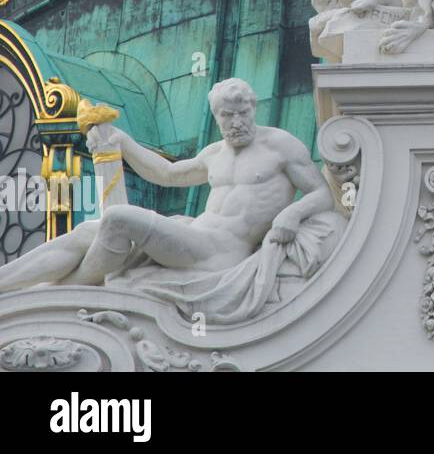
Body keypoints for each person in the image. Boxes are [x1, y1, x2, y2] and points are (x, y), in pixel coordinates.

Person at [0, 78, 335, 293]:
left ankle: (62, 293)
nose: (235, 123)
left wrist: (291, 216)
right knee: (88, 230)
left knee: (117, 218)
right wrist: (123, 141)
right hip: (189, 233)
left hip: (218, 253)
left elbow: (323, 193)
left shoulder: (281, 145)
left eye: (242, 113)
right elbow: (166, 174)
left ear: (254, 108)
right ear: (216, 117)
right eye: (226, 116)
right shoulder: (215, 153)